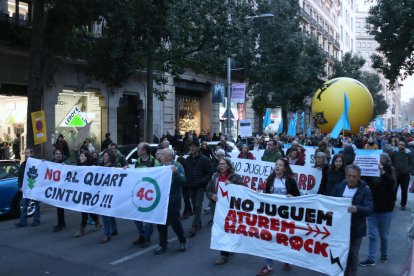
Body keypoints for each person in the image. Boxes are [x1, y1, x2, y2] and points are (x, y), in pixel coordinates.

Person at [256, 159, 300, 275]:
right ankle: (268, 266)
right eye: (276, 164)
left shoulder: (290, 180)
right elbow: (266, 195)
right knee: (269, 238)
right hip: (272, 215)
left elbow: (298, 197)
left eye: (280, 165)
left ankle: (287, 260)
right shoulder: (270, 179)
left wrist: (292, 197)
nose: (277, 167)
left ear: (285, 168)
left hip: (286, 216)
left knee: (284, 239)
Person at [332, 164, 373, 276]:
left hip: (356, 230)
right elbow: (331, 203)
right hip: (340, 229)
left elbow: (369, 209)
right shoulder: (339, 187)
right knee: (339, 254)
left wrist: (357, 208)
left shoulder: (365, 190)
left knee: (352, 256)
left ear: (359, 177)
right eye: (349, 176)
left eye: (354, 176)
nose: (351, 179)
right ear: (346, 176)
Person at [206, 157, 245, 265]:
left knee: (230, 229)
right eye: (220, 164)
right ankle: (224, 254)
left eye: (223, 164)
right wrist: (212, 195)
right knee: (221, 230)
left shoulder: (235, 177)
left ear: (228, 165)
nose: (221, 166)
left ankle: (227, 251)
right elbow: (208, 190)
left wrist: (232, 185)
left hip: (231, 209)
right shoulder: (215, 177)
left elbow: (243, 189)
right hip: (218, 209)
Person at [359, 162, 395, 266]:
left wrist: (382, 171)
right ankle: (371, 258)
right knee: (373, 235)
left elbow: (391, 182)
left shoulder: (388, 176)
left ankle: (384, 255)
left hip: (385, 211)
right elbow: (362, 179)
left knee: (383, 235)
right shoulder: (371, 179)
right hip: (373, 210)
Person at [154, 148, 188, 254]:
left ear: (169, 156)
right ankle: (162, 245)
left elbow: (183, 181)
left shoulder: (178, 166)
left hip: (173, 199)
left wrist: (176, 173)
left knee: (175, 222)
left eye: (162, 155)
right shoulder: (160, 167)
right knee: (161, 223)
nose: (160, 156)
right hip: (161, 200)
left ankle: (182, 240)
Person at [132, 142, 160, 248]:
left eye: (139, 148)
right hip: (140, 192)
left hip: (150, 193)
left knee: (149, 217)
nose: (137, 150)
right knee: (136, 216)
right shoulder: (138, 161)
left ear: (144, 150)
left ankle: (147, 237)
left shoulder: (154, 162)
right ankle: (142, 234)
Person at [183, 140, 213, 237]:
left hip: (200, 187)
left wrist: (201, 181)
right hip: (191, 186)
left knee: (197, 206)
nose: (192, 148)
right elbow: (185, 172)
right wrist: (187, 181)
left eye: (194, 146)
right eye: (190, 146)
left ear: (198, 147)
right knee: (194, 205)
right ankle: (198, 222)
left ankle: (194, 226)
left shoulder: (204, 159)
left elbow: (210, 173)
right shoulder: (187, 160)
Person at [74, 151, 101, 237]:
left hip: (90, 191)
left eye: (82, 156)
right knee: (86, 210)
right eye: (80, 156)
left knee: (84, 210)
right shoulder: (78, 166)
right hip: (80, 190)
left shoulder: (91, 167)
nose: (80, 157)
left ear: (87, 157)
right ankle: (96, 221)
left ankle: (81, 229)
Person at [15, 148, 41, 227]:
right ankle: (23, 222)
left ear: (31, 154)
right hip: (26, 188)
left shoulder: (38, 163)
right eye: (25, 153)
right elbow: (20, 176)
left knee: (37, 205)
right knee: (24, 204)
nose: (26, 155)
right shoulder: (23, 164)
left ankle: (36, 220)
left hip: (35, 187)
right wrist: (19, 186)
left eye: (27, 153)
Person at [100, 149, 119, 243]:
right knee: (109, 212)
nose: (104, 157)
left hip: (111, 193)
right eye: (104, 155)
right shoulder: (101, 166)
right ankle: (114, 229)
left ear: (110, 157)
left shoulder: (114, 168)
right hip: (103, 192)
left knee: (105, 213)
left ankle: (107, 234)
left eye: (106, 156)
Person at [391, 141, 414, 210]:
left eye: (402, 145)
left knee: (404, 190)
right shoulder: (394, 152)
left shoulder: (409, 153)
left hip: (405, 175)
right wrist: (393, 167)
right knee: (394, 189)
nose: (400, 146)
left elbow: (412, 163)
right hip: (396, 174)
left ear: (405, 146)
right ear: (398, 145)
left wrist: (408, 170)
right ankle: (393, 202)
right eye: (399, 145)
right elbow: (391, 161)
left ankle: (403, 204)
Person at [52, 149, 70, 232]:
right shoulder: (51, 163)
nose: (58, 155)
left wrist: (65, 166)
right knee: (59, 207)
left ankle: (60, 224)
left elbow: (71, 171)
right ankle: (61, 223)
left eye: (60, 153)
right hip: (56, 188)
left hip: (64, 188)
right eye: (56, 153)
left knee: (60, 206)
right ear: (54, 155)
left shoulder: (66, 162)